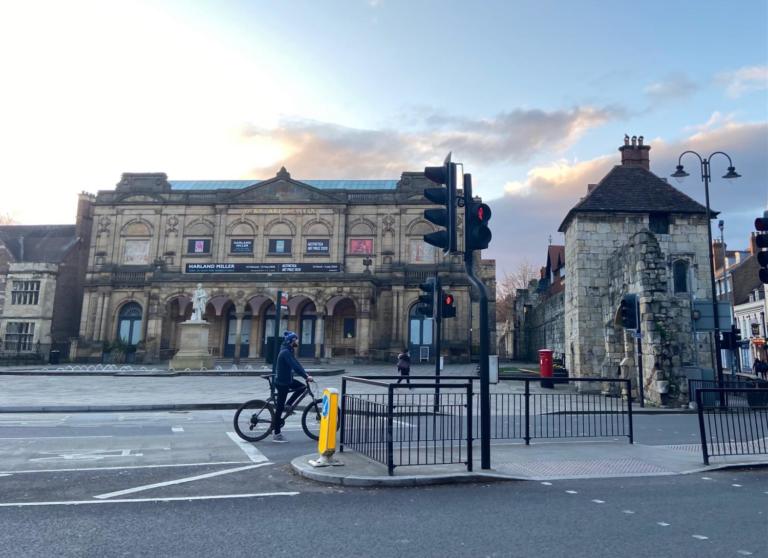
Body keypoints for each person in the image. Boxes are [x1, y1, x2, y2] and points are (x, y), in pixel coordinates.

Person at [272, 331, 313, 442]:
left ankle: (288, 405)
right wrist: (305, 376)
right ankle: (277, 434)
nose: (298, 341)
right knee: (279, 408)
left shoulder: (289, 350)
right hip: (282, 382)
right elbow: (294, 366)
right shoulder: (285, 352)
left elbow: (297, 363)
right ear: (292, 341)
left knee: (302, 387)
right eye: (296, 339)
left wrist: (306, 374)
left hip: (287, 379)